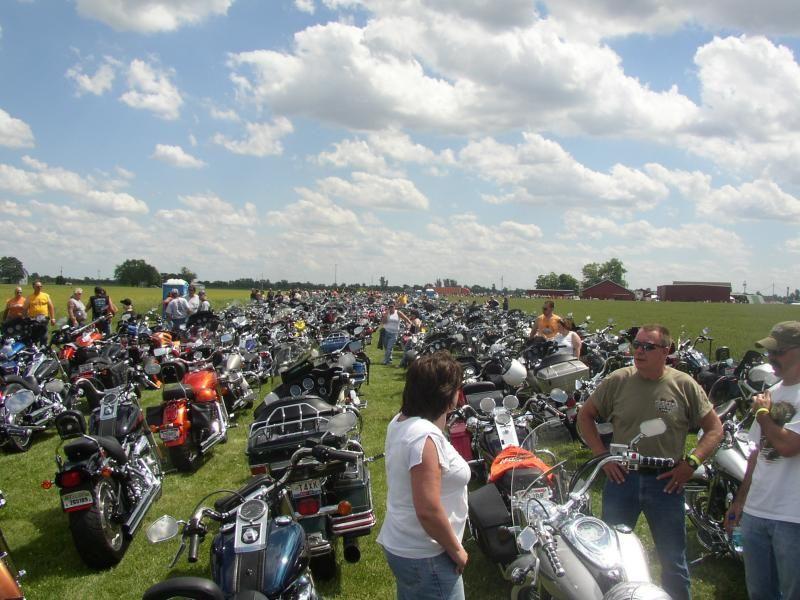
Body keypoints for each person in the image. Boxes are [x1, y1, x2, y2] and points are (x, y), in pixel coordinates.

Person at [576, 324, 723, 600]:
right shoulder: (618, 380)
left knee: (673, 561)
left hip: (666, 483)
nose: (639, 351)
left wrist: (692, 463)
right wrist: (602, 456)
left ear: (666, 351)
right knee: (610, 558)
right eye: (636, 345)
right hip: (622, 480)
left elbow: (715, 429)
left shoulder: (683, 384)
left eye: (648, 346)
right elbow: (585, 416)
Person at [377, 352, 470, 600]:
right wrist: (457, 551)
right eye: (456, 388)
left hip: (406, 545)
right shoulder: (424, 437)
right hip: (428, 554)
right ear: (444, 394)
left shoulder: (402, 421)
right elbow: (428, 509)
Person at [726, 321, 800, 600]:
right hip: (757, 512)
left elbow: (788, 446)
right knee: (759, 592)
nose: (771, 358)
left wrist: (762, 415)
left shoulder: (765, 405)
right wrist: (741, 501)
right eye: (769, 352)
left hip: (793, 517)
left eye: (778, 352)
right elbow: (756, 453)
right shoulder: (773, 393)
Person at [23, 280, 55, 345]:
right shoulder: (29, 297)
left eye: (41, 286)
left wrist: (52, 318)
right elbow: (25, 309)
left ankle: (43, 349)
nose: (39, 288)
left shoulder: (46, 296)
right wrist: (25, 319)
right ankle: (34, 349)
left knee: (44, 337)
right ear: (33, 287)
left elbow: (51, 307)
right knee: (33, 337)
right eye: (37, 286)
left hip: (43, 319)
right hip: (33, 320)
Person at [381, 300, 411, 365]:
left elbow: (406, 318)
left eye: (392, 306)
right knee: (387, 348)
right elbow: (383, 322)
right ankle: (389, 359)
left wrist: (410, 324)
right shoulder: (386, 313)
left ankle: (386, 361)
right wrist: (385, 315)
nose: (391, 308)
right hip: (386, 332)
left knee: (389, 348)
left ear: (394, 306)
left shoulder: (398, 313)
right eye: (389, 307)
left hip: (394, 333)